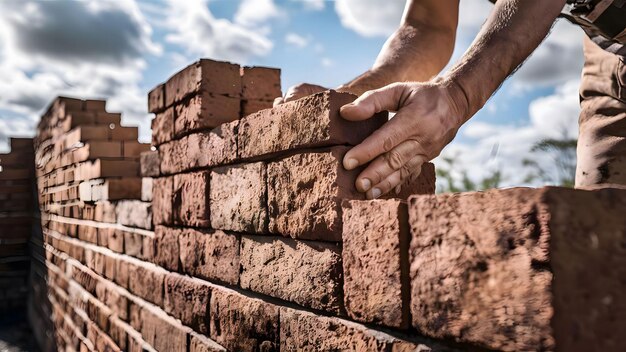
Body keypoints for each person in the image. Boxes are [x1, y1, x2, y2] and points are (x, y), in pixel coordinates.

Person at [275, 0, 626, 199]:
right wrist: (349, 101)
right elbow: (428, 26)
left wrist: (456, 96)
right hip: (610, 51)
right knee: (605, 242)